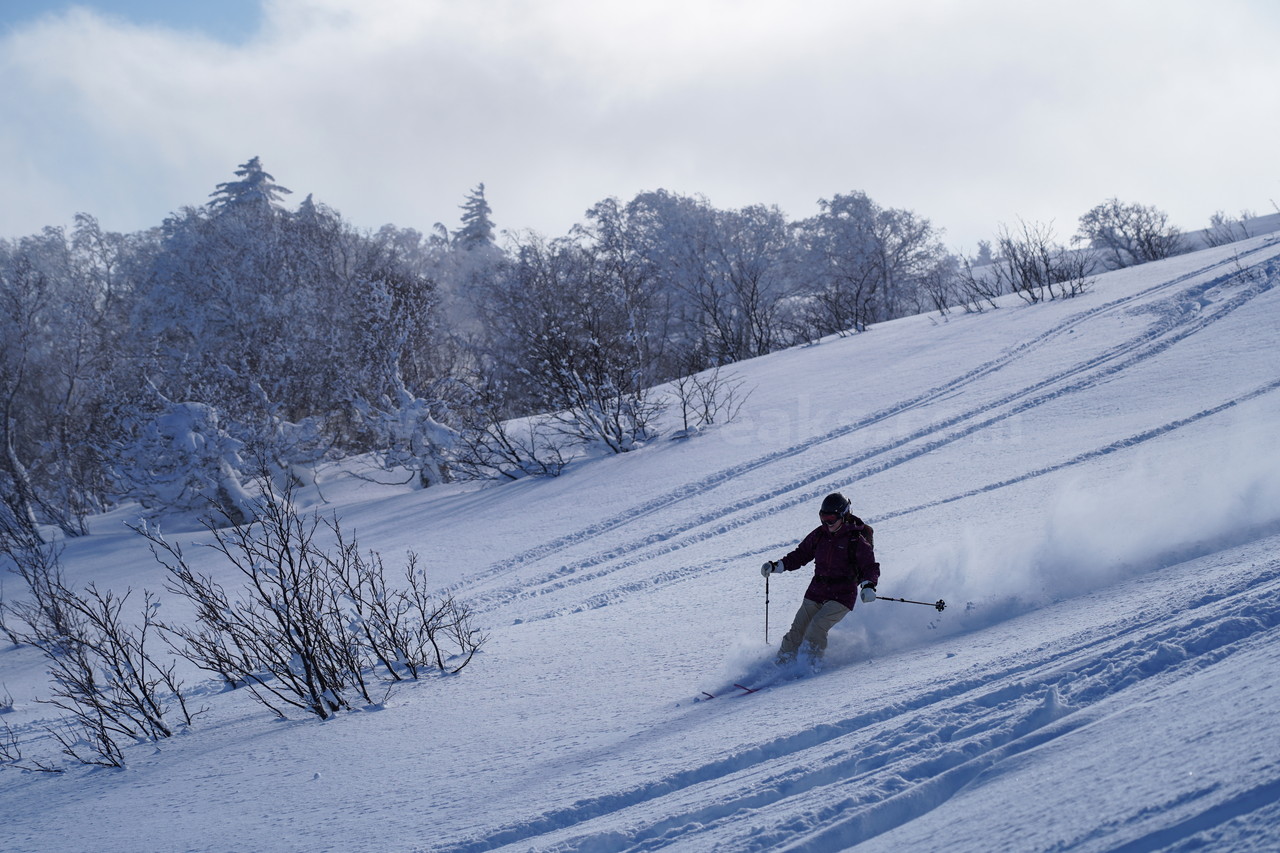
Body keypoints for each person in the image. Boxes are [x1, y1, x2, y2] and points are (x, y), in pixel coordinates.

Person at [761, 492, 879, 664]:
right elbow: (801, 554)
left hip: (842, 594)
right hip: (817, 590)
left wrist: (868, 585)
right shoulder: (820, 534)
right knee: (797, 630)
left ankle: (810, 665)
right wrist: (777, 566)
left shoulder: (856, 540)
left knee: (817, 626)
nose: (826, 523)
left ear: (843, 516)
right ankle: (782, 664)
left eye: (831, 519)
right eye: (823, 518)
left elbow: (869, 566)